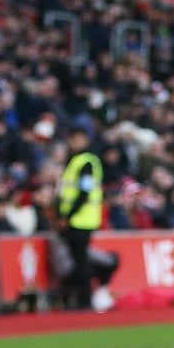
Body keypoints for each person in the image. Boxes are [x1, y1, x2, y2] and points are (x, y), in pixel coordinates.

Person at [56, 130, 104, 310]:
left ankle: (84, 299)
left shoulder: (86, 163)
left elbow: (84, 192)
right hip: (76, 219)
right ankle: (80, 298)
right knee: (78, 260)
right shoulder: (75, 161)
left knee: (80, 261)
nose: (73, 142)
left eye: (76, 139)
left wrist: (67, 216)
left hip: (81, 220)